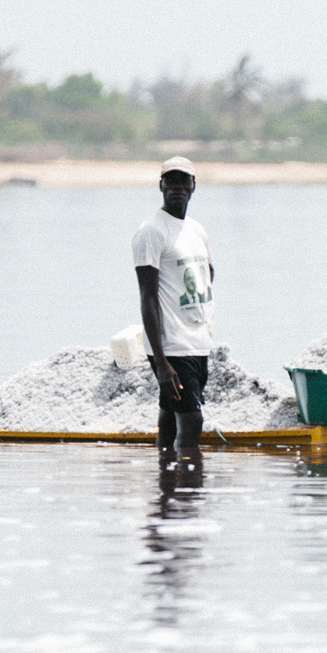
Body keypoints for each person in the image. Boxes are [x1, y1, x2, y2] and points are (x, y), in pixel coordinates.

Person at [133, 156, 215, 450]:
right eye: (171, 181)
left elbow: (207, 274)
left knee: (169, 415)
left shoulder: (196, 230)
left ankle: (166, 490)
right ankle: (190, 490)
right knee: (193, 421)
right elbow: (148, 297)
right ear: (161, 186)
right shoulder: (151, 232)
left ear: (193, 186)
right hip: (172, 347)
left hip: (197, 341)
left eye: (184, 181)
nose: (177, 187)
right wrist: (161, 360)